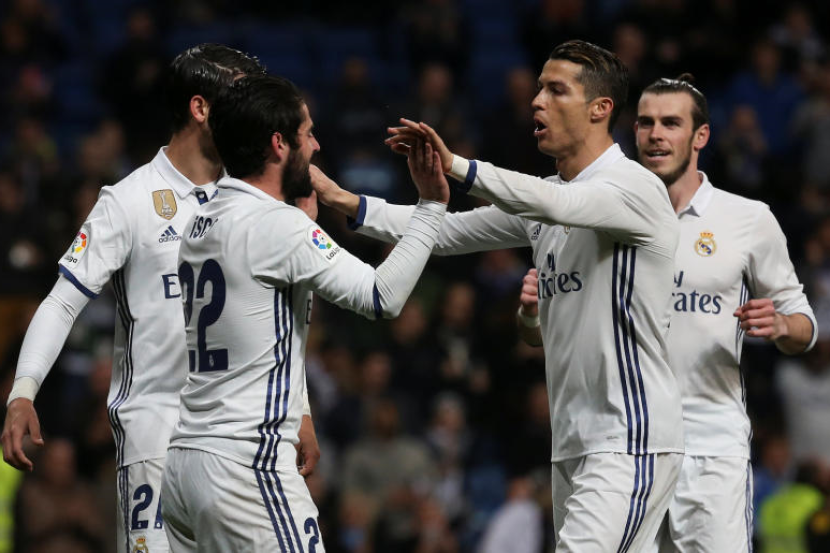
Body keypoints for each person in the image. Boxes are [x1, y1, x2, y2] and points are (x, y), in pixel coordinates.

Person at [313, 40, 684, 552]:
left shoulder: (634, 188)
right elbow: (443, 232)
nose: (537, 101)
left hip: (629, 436)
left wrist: (457, 165)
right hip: (573, 441)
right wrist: (340, 198)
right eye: (539, 89)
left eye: (556, 91)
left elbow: (554, 202)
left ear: (600, 109)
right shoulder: (548, 201)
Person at [0, 44, 320, 553]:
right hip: (155, 436)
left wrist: (299, 410)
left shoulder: (251, 199)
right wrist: (24, 390)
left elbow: (278, 317)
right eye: (238, 97)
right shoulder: (128, 201)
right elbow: (62, 301)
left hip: (236, 441)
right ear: (200, 108)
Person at [520, 75, 817, 552]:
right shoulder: (600, 216)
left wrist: (782, 325)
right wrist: (533, 315)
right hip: (627, 446)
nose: (656, 134)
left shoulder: (748, 219)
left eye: (671, 123)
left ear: (700, 136)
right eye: (646, 123)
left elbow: (804, 326)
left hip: (709, 447)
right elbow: (542, 335)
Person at [159, 73, 448, 552]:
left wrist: (302, 414)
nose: (316, 146)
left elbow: (261, 320)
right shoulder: (281, 228)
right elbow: (382, 296)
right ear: (279, 144)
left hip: (187, 463)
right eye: (308, 133)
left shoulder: (200, 219)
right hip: (246, 467)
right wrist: (432, 205)